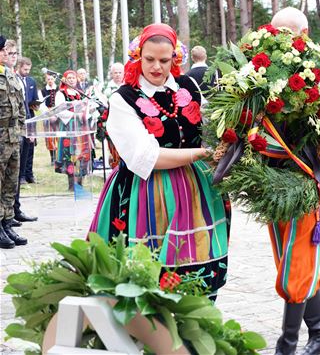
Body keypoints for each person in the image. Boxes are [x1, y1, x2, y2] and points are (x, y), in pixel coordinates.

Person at [87, 24, 230, 300]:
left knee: (198, 268)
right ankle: (149, 334)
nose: (156, 67)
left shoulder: (187, 86)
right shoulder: (123, 99)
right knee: (145, 272)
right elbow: (146, 157)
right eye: (149, 59)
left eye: (164, 61)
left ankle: (194, 329)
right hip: (144, 193)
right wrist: (200, 153)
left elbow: (211, 127)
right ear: (138, 56)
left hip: (196, 192)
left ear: (174, 59)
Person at [269, 7, 320, 355]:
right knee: (292, 263)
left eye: (288, 33)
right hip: (274, 184)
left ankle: (288, 345)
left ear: (305, 32)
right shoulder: (265, 72)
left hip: (308, 185)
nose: (281, 40)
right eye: (276, 32)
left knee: (296, 266)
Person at [0, 35, 28, 249]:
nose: (5, 54)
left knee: (10, 183)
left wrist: (21, 130)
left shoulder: (9, 75)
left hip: (13, 138)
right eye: (3, 50)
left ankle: (7, 222)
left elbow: (18, 106)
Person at [54, 70, 92, 191]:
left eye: (73, 78)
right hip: (68, 127)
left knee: (81, 153)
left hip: (81, 128)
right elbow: (59, 111)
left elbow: (87, 107)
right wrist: (75, 115)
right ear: (65, 80)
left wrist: (87, 112)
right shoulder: (61, 93)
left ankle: (80, 183)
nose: (71, 80)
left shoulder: (80, 93)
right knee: (69, 154)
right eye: (69, 78)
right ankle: (71, 184)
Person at [16, 57, 39, 185]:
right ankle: (21, 175)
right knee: (22, 147)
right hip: (20, 118)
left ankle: (29, 174)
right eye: (25, 69)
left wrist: (35, 105)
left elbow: (34, 98)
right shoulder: (15, 80)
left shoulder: (31, 81)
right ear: (19, 67)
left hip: (30, 116)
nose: (27, 72)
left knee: (30, 146)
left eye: (29, 69)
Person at [40, 73, 59, 165]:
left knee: (59, 135)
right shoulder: (43, 91)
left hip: (58, 114)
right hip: (47, 115)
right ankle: (53, 158)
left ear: (54, 79)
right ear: (46, 80)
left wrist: (56, 112)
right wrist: (48, 112)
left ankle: (60, 156)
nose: (50, 81)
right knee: (50, 137)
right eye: (48, 79)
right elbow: (41, 104)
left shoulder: (59, 89)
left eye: (51, 79)